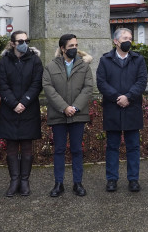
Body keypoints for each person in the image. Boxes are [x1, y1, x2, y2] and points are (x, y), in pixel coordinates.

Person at [96, 27, 148, 193]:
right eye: (125, 38)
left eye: (130, 38)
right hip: (113, 108)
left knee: (133, 146)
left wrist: (128, 97)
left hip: (132, 107)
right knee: (112, 146)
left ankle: (133, 179)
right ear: (116, 41)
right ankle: (112, 179)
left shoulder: (138, 59)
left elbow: (141, 81)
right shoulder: (105, 60)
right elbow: (101, 82)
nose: (128, 41)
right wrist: (117, 97)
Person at [43, 33, 94, 197]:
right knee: (58, 150)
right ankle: (59, 184)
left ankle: (77, 183)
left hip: (78, 115)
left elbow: (88, 88)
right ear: (62, 48)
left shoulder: (84, 67)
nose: (74, 49)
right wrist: (64, 107)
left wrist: (75, 107)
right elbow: (49, 89)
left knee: (77, 149)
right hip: (58, 115)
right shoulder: (50, 67)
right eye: (71, 46)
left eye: (76, 45)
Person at [0, 31, 43, 197]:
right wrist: (14, 103)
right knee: (11, 146)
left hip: (28, 109)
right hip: (9, 109)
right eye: (21, 40)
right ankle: (14, 180)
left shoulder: (35, 61)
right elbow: (2, 85)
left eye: (26, 40)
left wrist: (24, 102)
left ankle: (25, 181)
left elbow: (37, 84)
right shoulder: (4, 61)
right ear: (13, 43)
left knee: (27, 146)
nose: (24, 43)